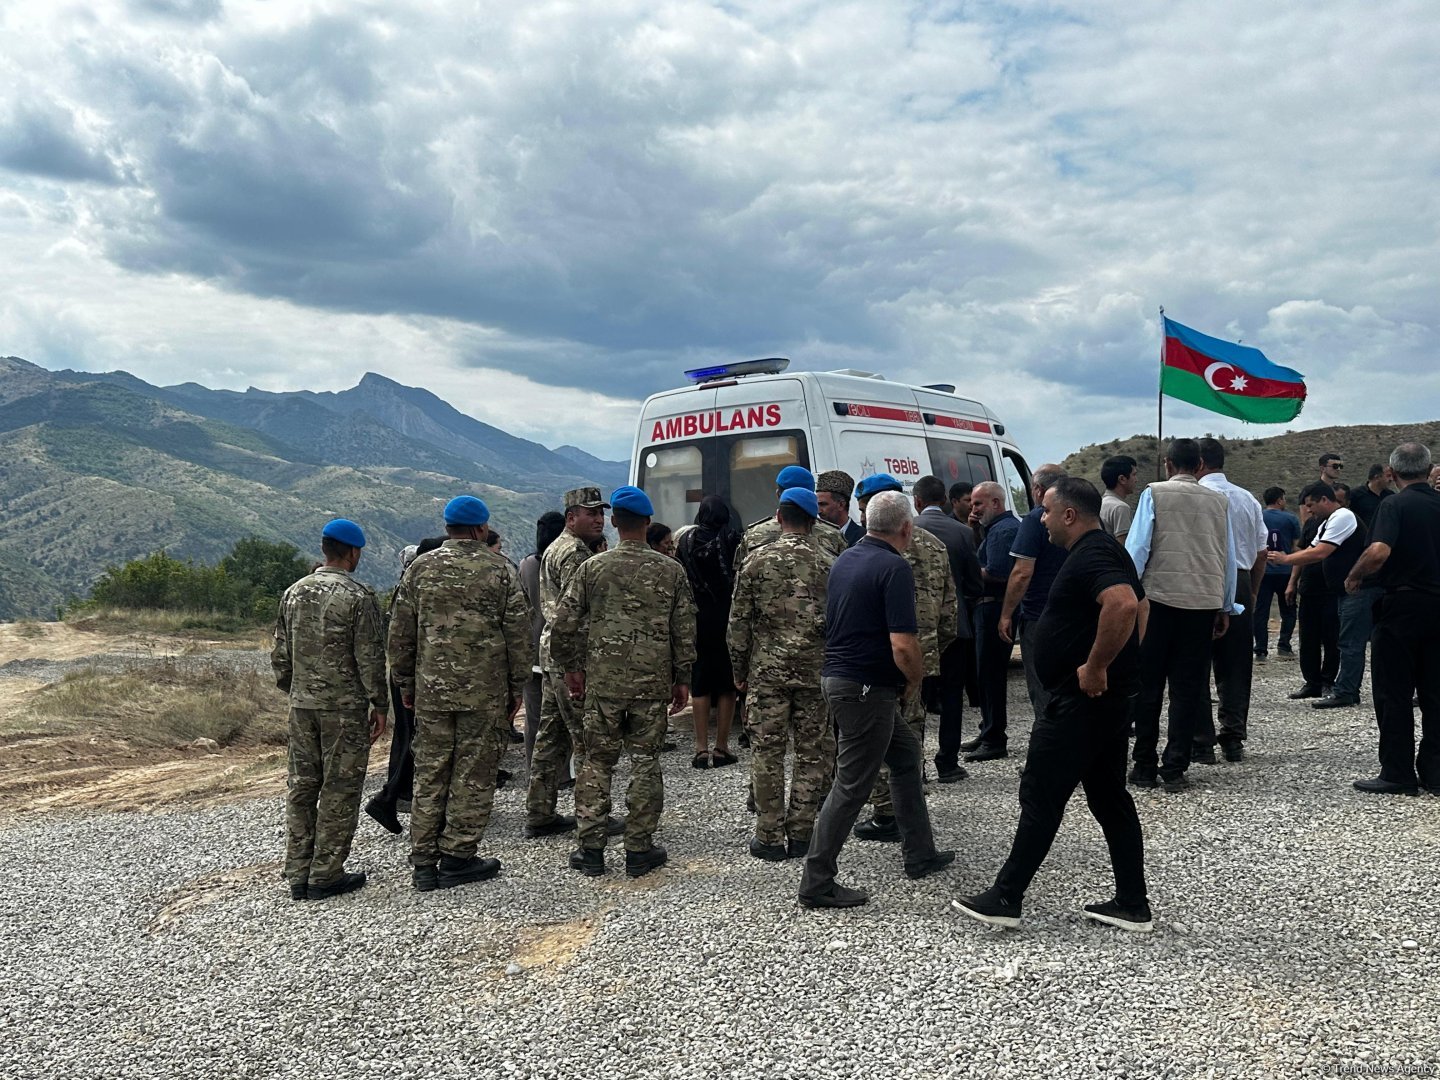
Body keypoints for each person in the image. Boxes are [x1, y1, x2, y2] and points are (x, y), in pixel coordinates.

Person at [952, 478, 1150, 932]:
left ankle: (1006, 896)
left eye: (1044, 511)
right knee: (1108, 797)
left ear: (1068, 514)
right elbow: (1141, 608)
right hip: (1105, 701)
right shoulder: (1104, 550)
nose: (1040, 520)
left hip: (1081, 702)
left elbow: (1121, 605)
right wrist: (1121, 667)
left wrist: (1099, 666)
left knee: (1041, 794)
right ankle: (1132, 903)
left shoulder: (1094, 553)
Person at [798, 489, 953, 909]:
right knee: (851, 785)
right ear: (907, 528)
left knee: (905, 757)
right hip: (866, 687)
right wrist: (916, 681)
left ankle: (920, 854)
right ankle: (817, 882)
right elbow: (903, 644)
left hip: (845, 680)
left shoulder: (847, 558)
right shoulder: (894, 567)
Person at [550, 486, 697, 877]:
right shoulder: (671, 570)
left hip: (603, 683)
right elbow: (684, 630)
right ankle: (639, 849)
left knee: (597, 763)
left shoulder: (592, 568)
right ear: (648, 524)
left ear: (614, 522)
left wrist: (571, 668)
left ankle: (592, 851)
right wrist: (683, 677)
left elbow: (563, 624)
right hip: (651, 685)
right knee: (645, 762)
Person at [388, 496, 531, 891]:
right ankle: (457, 857)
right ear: (481, 529)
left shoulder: (420, 568)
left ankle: (422, 862)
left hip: (432, 691)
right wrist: (516, 686)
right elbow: (518, 633)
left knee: (431, 771)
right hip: (484, 692)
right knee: (474, 773)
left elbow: (400, 633)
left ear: (448, 527)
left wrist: (405, 683)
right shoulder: (499, 569)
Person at [272, 518, 388, 901]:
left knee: (302, 786)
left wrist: (296, 689)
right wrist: (380, 704)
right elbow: (369, 657)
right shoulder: (358, 596)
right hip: (343, 707)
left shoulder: (293, 593)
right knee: (340, 786)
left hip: (302, 705)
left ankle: (298, 869)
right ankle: (326, 872)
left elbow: (281, 656)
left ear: (325, 549)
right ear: (353, 553)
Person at [1125, 438, 1235, 792]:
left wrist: (1130, 592)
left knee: (1149, 684)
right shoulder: (1219, 501)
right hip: (1202, 604)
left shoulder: (1154, 493)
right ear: (1200, 464)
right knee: (1188, 688)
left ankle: (1143, 764)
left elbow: (1138, 547)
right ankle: (1175, 766)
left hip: (1157, 602)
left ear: (1168, 463)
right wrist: (1226, 605)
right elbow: (1226, 557)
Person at [728, 487, 833, 860]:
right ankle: (802, 834)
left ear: (778, 517)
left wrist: (739, 671)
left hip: (767, 674)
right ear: (813, 520)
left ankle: (768, 837)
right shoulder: (829, 562)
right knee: (811, 752)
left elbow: (738, 623)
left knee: (767, 753)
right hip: (814, 673)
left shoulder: (755, 562)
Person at [851, 474, 956, 841]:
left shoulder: (865, 548)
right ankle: (910, 810)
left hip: (878, 657)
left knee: (880, 736)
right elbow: (948, 612)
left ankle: (886, 814)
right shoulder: (935, 546)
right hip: (919, 654)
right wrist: (929, 653)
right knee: (911, 733)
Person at [1344, 443, 1440, 795]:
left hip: (1402, 606)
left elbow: (1379, 551)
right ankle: (1435, 771)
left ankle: (1398, 773)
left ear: (1392, 472)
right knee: (1435, 692)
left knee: (1394, 690)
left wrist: (1355, 575)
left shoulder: (1394, 504)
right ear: (1429, 469)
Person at [525, 487, 610, 839]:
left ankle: (539, 812)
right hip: (571, 657)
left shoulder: (555, 548)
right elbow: (576, 614)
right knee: (587, 741)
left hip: (552, 655)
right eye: (590, 513)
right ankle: (592, 820)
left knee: (550, 737)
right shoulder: (574, 553)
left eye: (601, 512)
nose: (599, 518)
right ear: (571, 517)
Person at [1270, 483, 1376, 709]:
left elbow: (1321, 552)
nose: (1309, 511)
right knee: (1343, 640)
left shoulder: (1343, 517)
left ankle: (1346, 691)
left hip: (1358, 590)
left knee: (1349, 642)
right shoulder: (1327, 522)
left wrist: (1285, 560)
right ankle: (1339, 688)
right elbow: (1311, 549)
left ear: (1325, 500)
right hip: (1342, 591)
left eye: (1311, 505)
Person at [1195, 438, 1267, 763]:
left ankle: (1200, 740)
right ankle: (1233, 737)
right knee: (1237, 664)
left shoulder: (1195, 496)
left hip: (1199, 580)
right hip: (1239, 578)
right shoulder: (1247, 498)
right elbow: (1261, 551)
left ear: (1198, 463)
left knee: (1194, 662)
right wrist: (1251, 590)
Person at [365, 537, 443, 835]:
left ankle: (394, 797)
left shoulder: (409, 584)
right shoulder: (417, 586)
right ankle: (392, 797)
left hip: (407, 676)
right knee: (417, 739)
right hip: (416, 676)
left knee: (410, 737)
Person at [912, 475, 983, 784]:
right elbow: (973, 583)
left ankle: (915, 766)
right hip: (955, 626)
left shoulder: (906, 530)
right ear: (943, 500)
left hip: (912, 629)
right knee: (952, 695)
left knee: (913, 698)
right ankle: (948, 763)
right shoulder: (962, 533)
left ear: (916, 501)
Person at [999, 465, 1069, 746]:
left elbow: (1022, 572)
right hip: (1077, 616)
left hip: (1040, 616)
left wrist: (1006, 614)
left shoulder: (1036, 519)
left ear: (1038, 490)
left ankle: (1047, 753)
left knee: (1043, 689)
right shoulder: (1081, 517)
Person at [676, 496, 741, 768]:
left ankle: (701, 748)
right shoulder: (732, 539)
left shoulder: (685, 542)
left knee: (700, 684)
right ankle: (722, 746)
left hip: (697, 619)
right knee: (727, 685)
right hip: (727, 618)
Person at [965, 481, 1021, 761]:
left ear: (996, 503)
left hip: (993, 609)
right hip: (988, 609)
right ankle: (988, 729)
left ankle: (995, 738)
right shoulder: (993, 530)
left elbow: (999, 573)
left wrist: (969, 570)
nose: (973, 509)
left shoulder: (1004, 531)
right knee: (985, 676)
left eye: (978, 504)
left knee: (990, 676)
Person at [519, 512, 566, 767]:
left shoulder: (526, 565)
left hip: (532, 650)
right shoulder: (568, 563)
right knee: (566, 716)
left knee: (534, 717)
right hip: (560, 652)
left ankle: (533, 769)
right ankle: (563, 771)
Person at [735, 466, 848, 567]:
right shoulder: (833, 535)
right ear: (812, 495)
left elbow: (740, 574)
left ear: (778, 494)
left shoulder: (754, 534)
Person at [1289, 494, 1341, 701]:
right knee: (1308, 638)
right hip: (1309, 587)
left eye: (1312, 506)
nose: (1310, 510)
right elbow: (1302, 553)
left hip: (1331, 589)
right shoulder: (1311, 524)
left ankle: (1328, 681)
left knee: (1331, 638)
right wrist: (1292, 582)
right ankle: (1312, 682)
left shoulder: (1341, 522)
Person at [1253, 488, 1300, 660]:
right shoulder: (1291, 518)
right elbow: (1297, 546)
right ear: (1280, 500)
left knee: (1260, 611)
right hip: (1285, 571)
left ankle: (1260, 649)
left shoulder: (1258, 517)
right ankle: (1284, 646)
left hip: (1262, 571)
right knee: (1288, 610)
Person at [817, 470, 865, 547]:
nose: (818, 511)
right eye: (817, 504)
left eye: (823, 504)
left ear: (841, 505)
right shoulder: (816, 537)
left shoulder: (863, 538)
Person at [1100, 456, 1137, 542]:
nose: (1136, 480)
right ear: (1122, 479)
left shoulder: (1100, 504)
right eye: (1134, 475)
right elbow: (1124, 548)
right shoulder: (1120, 508)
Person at [1347, 465, 1392, 530]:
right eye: (1388, 476)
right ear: (1377, 477)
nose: (1391, 479)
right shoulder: (1355, 495)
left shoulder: (1390, 496)